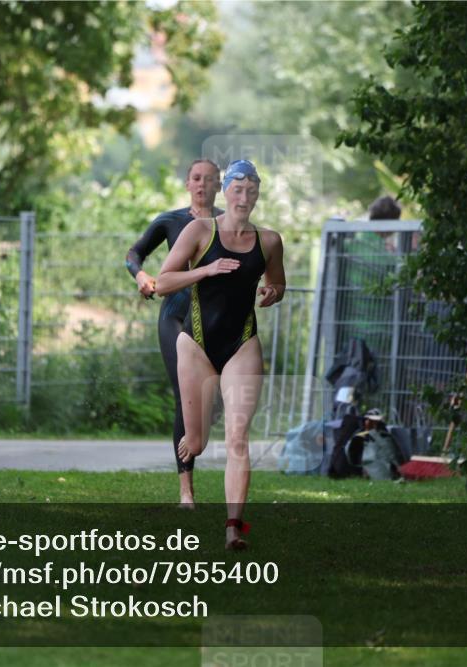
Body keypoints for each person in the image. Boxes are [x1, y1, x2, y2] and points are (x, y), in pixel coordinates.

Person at [155, 159, 286, 550]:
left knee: (238, 439)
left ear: (258, 193)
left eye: (251, 190)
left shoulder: (270, 241)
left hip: (242, 343)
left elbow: (277, 281)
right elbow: (162, 283)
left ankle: (233, 528)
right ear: (225, 192)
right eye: (237, 189)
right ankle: (192, 444)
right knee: (196, 444)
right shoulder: (199, 231)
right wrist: (205, 271)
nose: (244, 197)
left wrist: (272, 292)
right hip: (195, 344)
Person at [125, 159, 222, 508]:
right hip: (175, 318)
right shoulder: (170, 221)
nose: (202, 185)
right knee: (186, 395)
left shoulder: (229, 223)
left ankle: (201, 427)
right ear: (187, 183)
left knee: (211, 403)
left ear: (219, 186)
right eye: (197, 178)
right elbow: (134, 253)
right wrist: (141, 276)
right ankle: (186, 491)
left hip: (213, 320)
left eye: (210, 180)